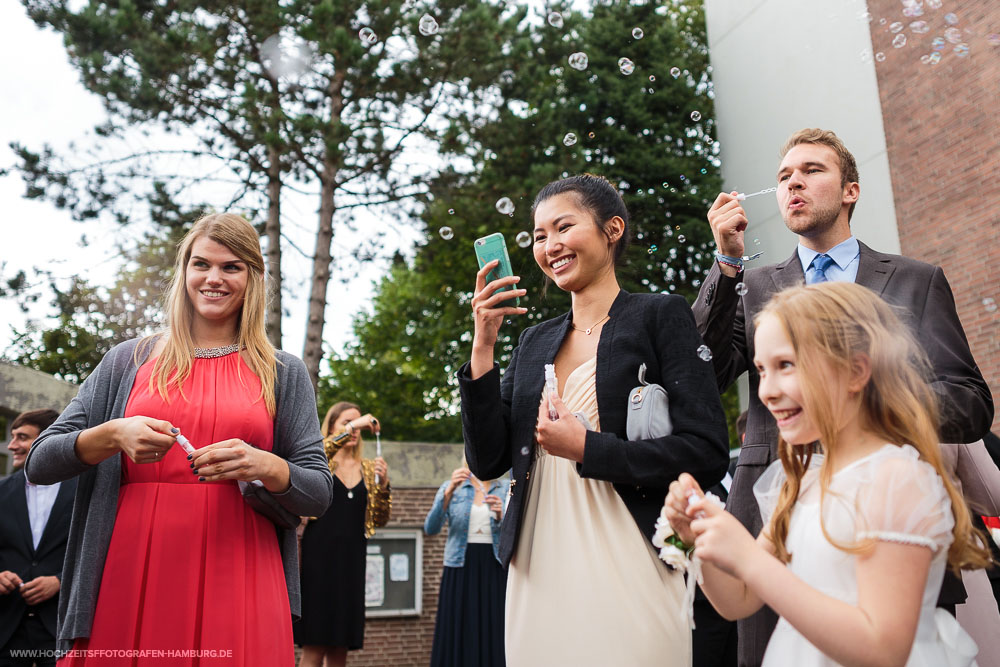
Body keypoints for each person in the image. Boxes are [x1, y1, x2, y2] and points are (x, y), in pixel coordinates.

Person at [692, 128, 994, 666]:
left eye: (811, 170)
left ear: (851, 189)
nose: (793, 183)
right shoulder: (755, 286)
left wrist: (870, 409)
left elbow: (971, 403)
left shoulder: (916, 280)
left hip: (887, 508)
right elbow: (704, 370)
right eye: (784, 176)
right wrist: (727, 263)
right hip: (775, 507)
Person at [24, 213, 333, 666]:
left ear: (253, 277)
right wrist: (112, 434)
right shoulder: (127, 360)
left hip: (243, 562)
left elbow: (319, 493)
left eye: (232, 267)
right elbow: (39, 462)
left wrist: (265, 465)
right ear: (184, 270)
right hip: (129, 566)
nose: (214, 278)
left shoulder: (282, 371)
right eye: (201, 264)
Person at [459, 174, 730, 665]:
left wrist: (588, 448)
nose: (550, 245)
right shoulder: (532, 342)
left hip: (632, 552)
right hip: (537, 563)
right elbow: (487, 460)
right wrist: (483, 346)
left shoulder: (660, 316)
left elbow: (706, 451)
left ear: (612, 229)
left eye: (564, 227)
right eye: (540, 236)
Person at [665, 281, 993, 667]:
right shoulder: (804, 482)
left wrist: (752, 561)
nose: (766, 391)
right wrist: (700, 540)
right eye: (760, 371)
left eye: (785, 365)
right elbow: (739, 599)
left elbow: (884, 649)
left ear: (856, 371)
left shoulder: (895, 478)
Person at [295, 402, 391, 667]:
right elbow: (321, 449)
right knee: (313, 650)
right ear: (333, 426)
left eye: (359, 424)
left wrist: (383, 486)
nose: (356, 429)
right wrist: (354, 425)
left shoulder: (370, 468)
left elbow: (379, 520)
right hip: (318, 564)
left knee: (340, 652)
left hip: (351, 565)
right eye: (347, 423)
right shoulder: (320, 463)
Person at [1, 409, 73, 667]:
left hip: (60, 631)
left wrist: (61, 582)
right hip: (7, 629)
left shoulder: (85, 490)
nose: (12, 446)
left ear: (48, 440)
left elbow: (103, 549)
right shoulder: (1, 491)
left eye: (22, 437)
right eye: (12, 437)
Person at [424, 464, 509, 667]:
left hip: (494, 566)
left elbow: (515, 533)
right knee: (458, 625)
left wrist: (501, 516)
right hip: (459, 566)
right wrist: (449, 491)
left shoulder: (506, 487)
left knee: (493, 625)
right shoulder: (453, 486)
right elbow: (431, 528)